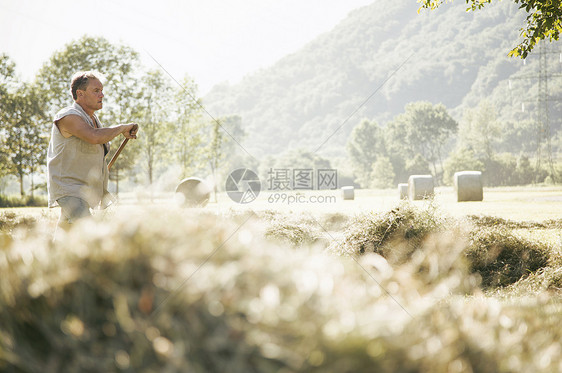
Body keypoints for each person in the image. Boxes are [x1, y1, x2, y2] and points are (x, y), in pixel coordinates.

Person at [47, 71, 138, 230]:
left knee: (65, 234)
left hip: (83, 189)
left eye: (102, 90)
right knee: (88, 231)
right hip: (69, 189)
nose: (102, 95)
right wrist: (122, 128)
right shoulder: (68, 117)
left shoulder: (93, 119)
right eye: (96, 91)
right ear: (80, 94)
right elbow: (94, 137)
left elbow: (97, 141)